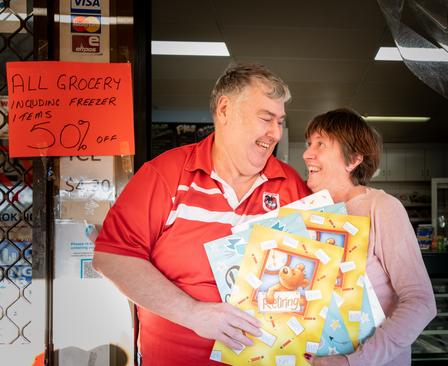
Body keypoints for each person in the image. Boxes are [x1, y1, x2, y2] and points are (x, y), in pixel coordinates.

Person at [92, 63, 311, 366]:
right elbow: (112, 256)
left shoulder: (291, 187)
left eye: (280, 122)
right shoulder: (165, 175)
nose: (275, 133)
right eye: (266, 119)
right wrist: (192, 313)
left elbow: (318, 277)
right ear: (224, 110)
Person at [301, 108, 436, 366]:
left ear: (353, 159)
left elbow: (421, 302)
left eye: (320, 144)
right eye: (309, 144)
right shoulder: (309, 212)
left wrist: (353, 362)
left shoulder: (382, 207)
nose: (307, 154)